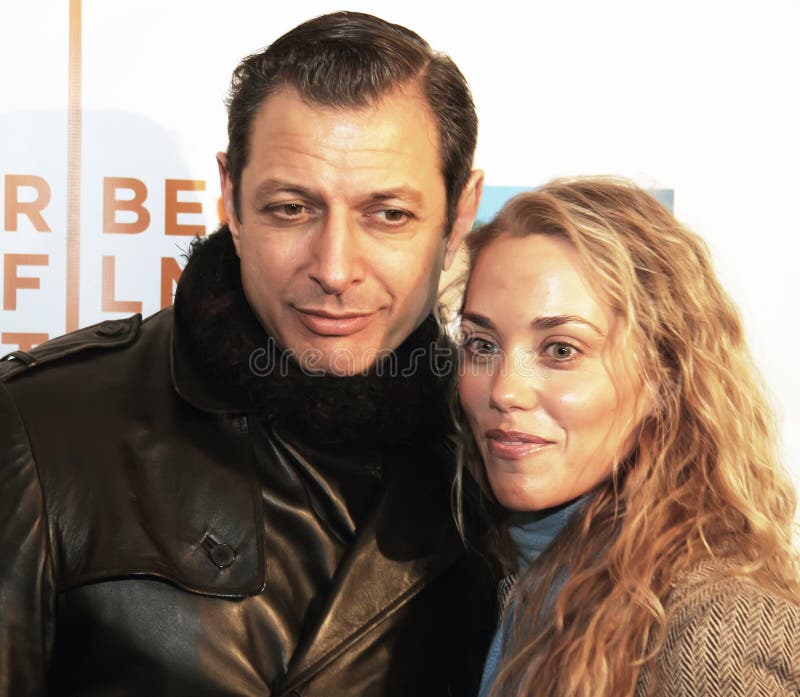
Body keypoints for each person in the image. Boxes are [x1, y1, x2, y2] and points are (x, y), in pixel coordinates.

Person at [0, 12, 496, 696]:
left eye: (388, 214)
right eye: (292, 208)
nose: (335, 267)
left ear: (460, 211)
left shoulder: (508, 449)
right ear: (231, 197)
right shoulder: (44, 425)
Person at [452, 177, 800, 697]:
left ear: (665, 375)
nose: (505, 390)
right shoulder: (497, 581)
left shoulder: (714, 621)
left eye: (561, 350)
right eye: (482, 344)